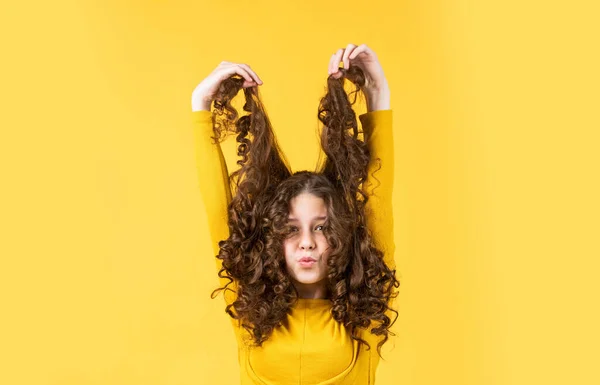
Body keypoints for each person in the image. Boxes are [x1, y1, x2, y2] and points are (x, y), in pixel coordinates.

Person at [191, 43, 400, 384]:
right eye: (291, 229)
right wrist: (200, 106)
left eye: (320, 228)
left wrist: (377, 93)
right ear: (273, 237)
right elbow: (218, 213)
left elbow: (377, 201)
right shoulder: (249, 309)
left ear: (341, 237)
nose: (306, 243)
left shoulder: (365, 312)